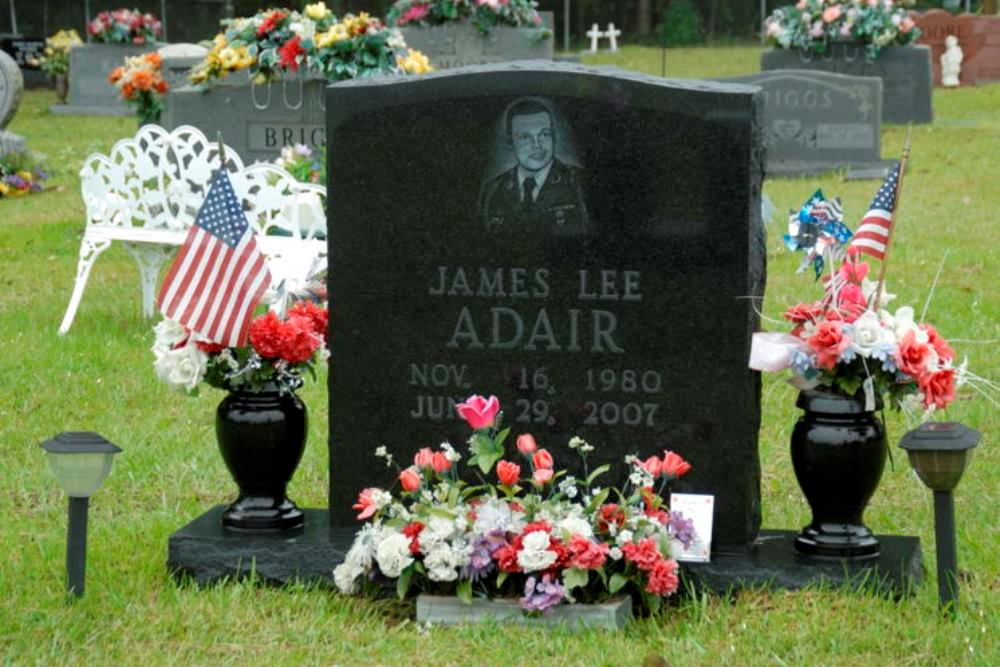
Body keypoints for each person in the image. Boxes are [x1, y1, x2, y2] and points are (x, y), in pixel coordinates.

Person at [480, 98, 589, 233]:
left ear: (553, 137)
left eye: (544, 134)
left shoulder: (579, 182)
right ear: (510, 142)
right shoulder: (493, 189)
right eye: (525, 137)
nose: (537, 145)